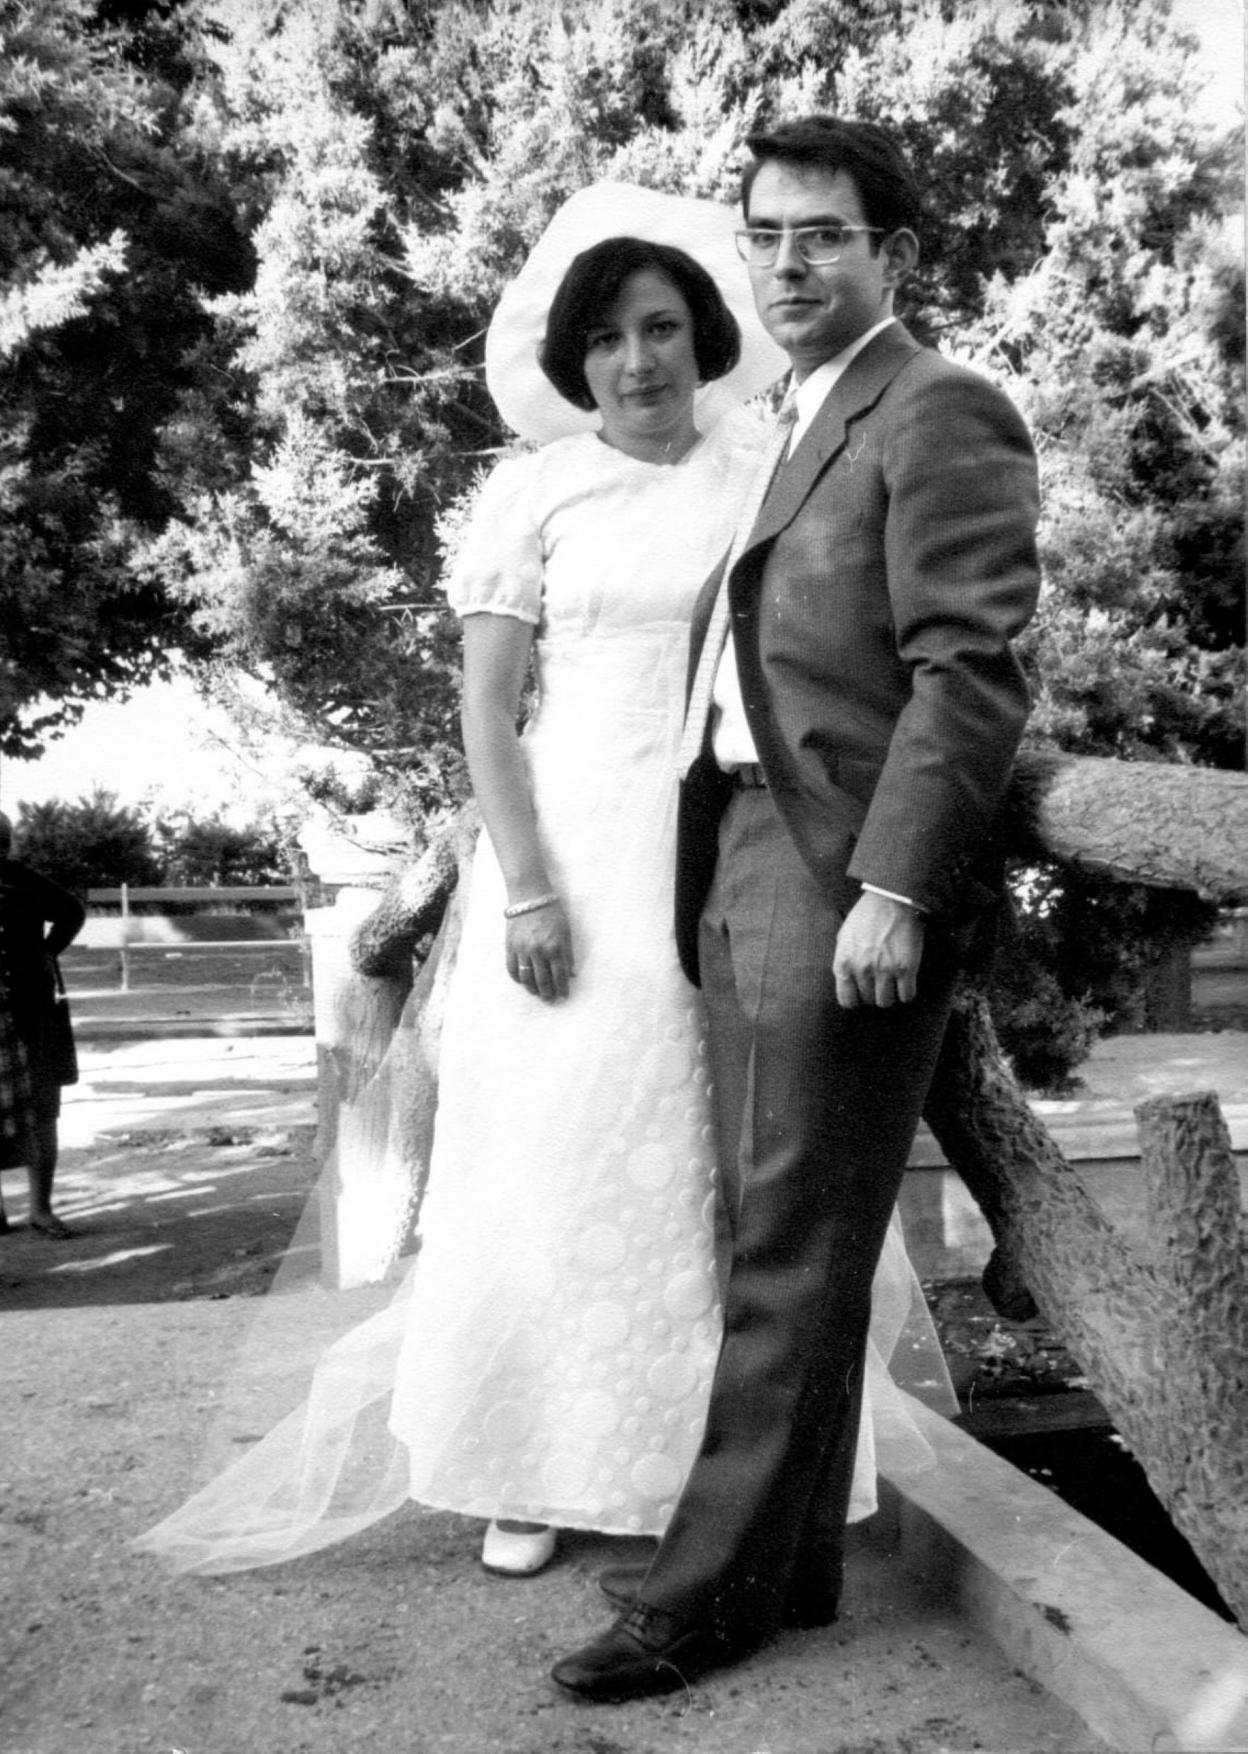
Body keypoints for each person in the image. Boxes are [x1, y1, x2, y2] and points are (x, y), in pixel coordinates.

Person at [134, 185, 950, 1582]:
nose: (640, 362)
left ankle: (708, 1475)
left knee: (722, 1155)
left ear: (707, 338)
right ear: (575, 360)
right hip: (571, 853)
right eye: (612, 339)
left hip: (732, 843)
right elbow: (485, 711)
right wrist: (524, 888)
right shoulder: (537, 488)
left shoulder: (765, 466)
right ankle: (533, 1464)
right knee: (563, 1153)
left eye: (665, 329)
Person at [553, 117, 1041, 1701]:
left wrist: (893, 885)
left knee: (785, 1239)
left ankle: (699, 1599)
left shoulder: (944, 406)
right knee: (791, 1229)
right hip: (738, 863)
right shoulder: (792, 415)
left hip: (827, 875)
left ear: (893, 255)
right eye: (766, 236)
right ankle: (787, 1566)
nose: (787, 264)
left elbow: (971, 665)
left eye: (822, 235)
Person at [0, 812, 86, 1238]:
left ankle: (40, 1208)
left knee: (42, 1108)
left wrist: (45, 954)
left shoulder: (24, 881)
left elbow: (71, 912)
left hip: (29, 1011)